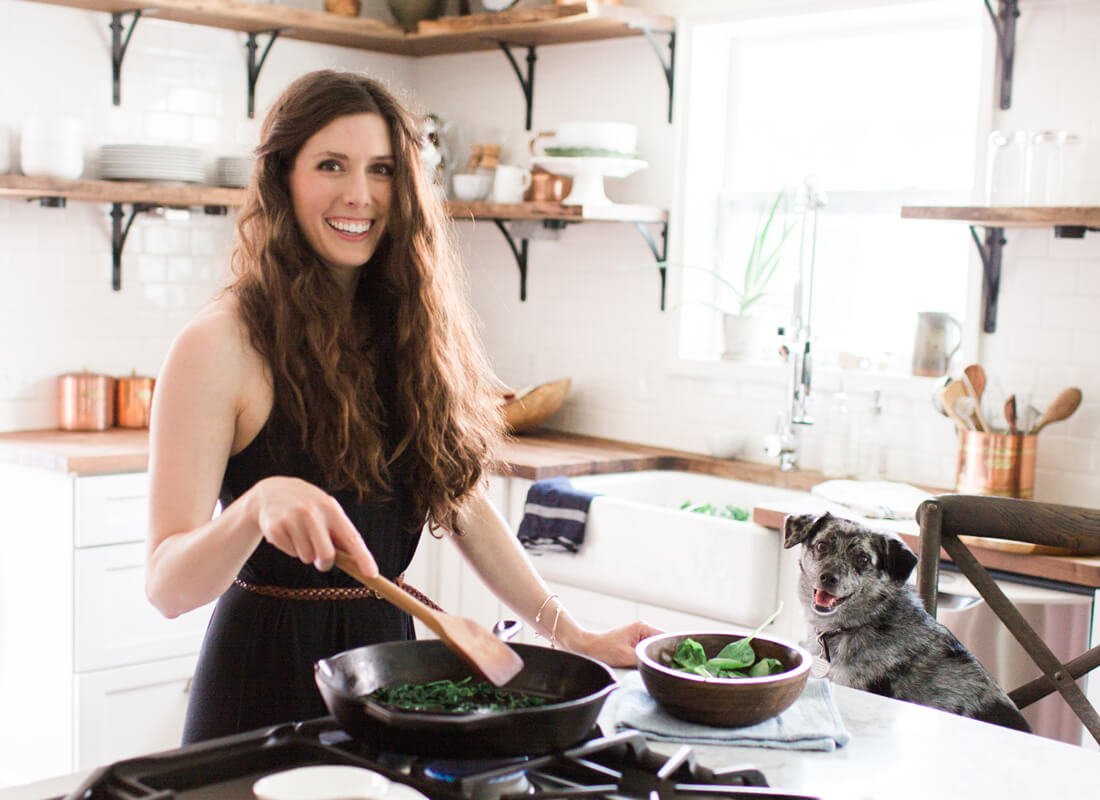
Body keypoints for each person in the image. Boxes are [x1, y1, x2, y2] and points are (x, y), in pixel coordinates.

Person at [144, 69, 660, 744]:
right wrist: (254, 506)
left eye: (382, 169)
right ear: (283, 179)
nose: (359, 194)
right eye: (331, 165)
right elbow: (167, 587)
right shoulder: (219, 343)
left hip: (391, 683)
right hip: (258, 691)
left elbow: (460, 502)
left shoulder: (410, 329)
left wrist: (575, 635)